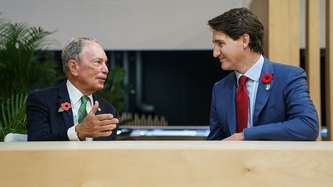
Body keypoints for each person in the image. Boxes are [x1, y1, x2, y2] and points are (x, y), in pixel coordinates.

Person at [207, 7, 319, 141]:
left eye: (220, 44)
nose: (215, 53)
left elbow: (308, 126)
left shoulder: (289, 77)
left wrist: (245, 135)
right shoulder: (219, 89)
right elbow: (215, 142)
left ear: (244, 40)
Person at [26, 37, 119, 141]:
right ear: (74, 67)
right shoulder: (43, 101)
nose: (106, 70)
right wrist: (77, 132)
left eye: (105, 63)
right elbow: (36, 144)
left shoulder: (109, 110)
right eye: (98, 62)